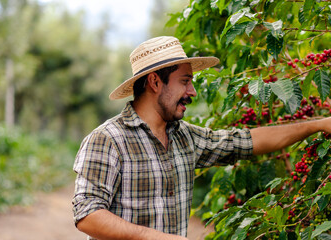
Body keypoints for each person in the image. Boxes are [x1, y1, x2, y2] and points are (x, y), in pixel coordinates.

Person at [72, 36, 331, 240]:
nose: (192, 91)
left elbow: (247, 141)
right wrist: (153, 237)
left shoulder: (186, 137)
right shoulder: (108, 139)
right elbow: (87, 215)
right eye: (185, 81)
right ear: (154, 82)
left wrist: (318, 124)